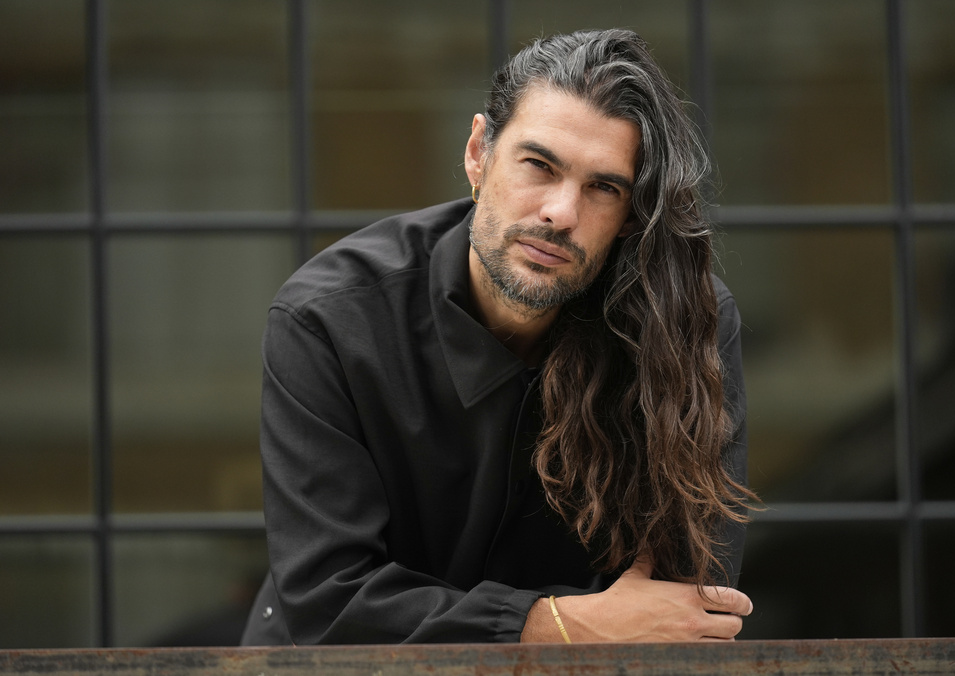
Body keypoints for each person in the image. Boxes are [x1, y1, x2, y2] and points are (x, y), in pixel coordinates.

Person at [241, 28, 755, 646]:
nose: (561, 213)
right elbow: (331, 603)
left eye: (604, 188)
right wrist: (558, 625)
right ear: (479, 153)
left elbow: (687, 607)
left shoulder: (682, 325)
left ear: (630, 218)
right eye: (539, 165)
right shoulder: (330, 322)